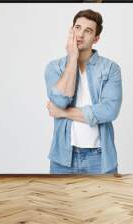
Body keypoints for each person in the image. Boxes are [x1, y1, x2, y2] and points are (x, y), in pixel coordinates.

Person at [44, 9, 122, 174]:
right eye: (77, 28)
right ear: (71, 30)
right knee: (61, 201)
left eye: (88, 31)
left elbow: (109, 111)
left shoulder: (111, 68)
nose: (80, 35)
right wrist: (72, 58)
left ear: (96, 38)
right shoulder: (54, 67)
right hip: (63, 157)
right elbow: (60, 101)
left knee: (102, 200)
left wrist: (63, 113)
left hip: (100, 157)